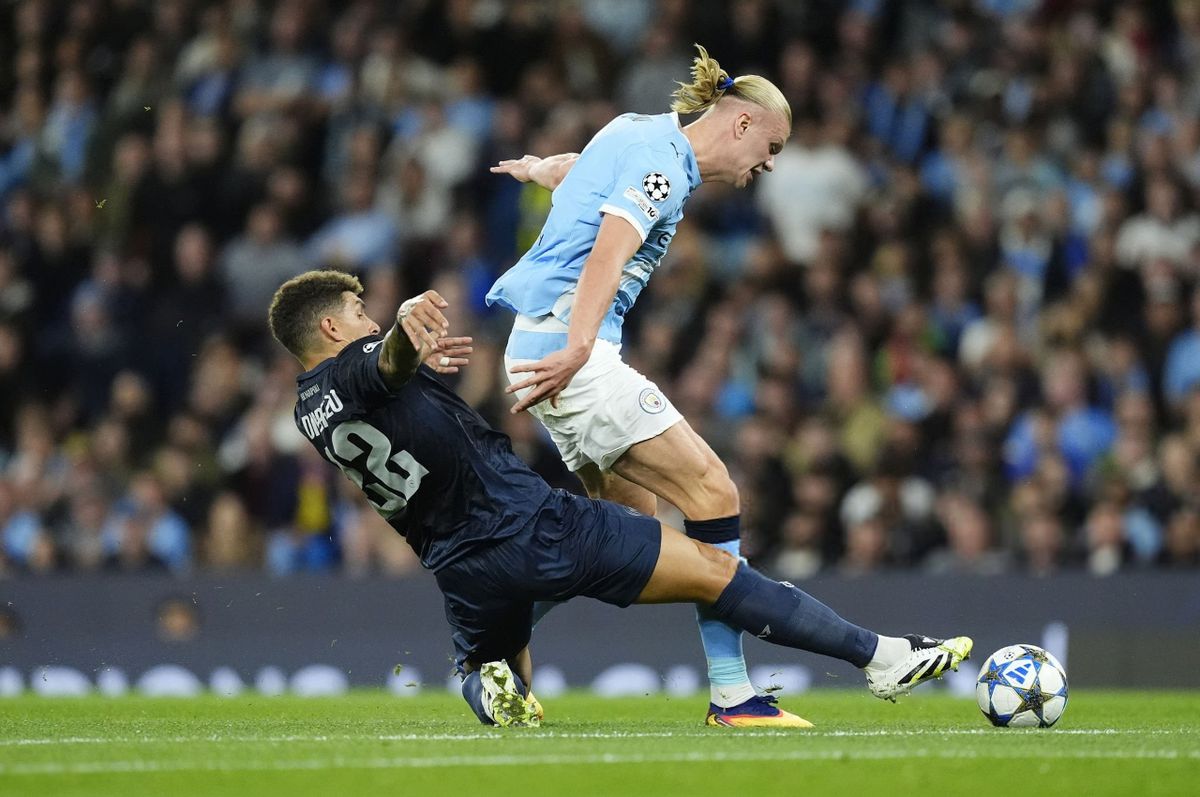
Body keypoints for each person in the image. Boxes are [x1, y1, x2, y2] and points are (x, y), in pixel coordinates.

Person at [268, 270, 972, 728]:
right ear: (330, 328)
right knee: (718, 571)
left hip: (461, 570)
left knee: (490, 671)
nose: (367, 319)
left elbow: (386, 383)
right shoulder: (360, 363)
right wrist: (401, 331)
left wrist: (406, 355)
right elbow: (383, 362)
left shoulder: (307, 410)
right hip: (535, 525)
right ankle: (880, 657)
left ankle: (487, 686)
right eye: (357, 311)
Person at [486, 44, 798, 725]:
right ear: (742, 123)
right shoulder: (662, 167)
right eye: (771, 147)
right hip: (571, 347)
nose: (769, 164)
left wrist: (537, 168)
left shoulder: (637, 131)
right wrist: (578, 349)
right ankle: (733, 693)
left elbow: (580, 172)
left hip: (543, 343)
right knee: (714, 491)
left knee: (621, 535)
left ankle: (494, 632)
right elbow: (609, 250)